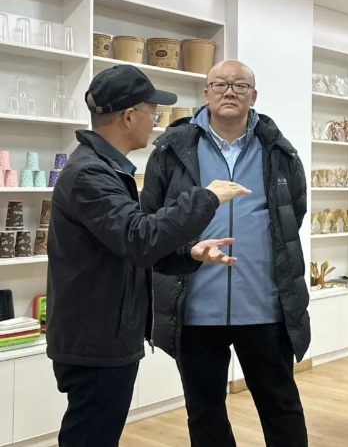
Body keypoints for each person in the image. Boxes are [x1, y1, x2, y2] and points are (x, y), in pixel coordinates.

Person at [47, 64, 251, 447]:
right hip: (95, 341)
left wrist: (189, 254)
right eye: (151, 111)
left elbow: (130, 247)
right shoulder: (90, 175)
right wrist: (207, 198)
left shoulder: (106, 170)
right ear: (128, 117)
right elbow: (139, 238)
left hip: (105, 336)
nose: (155, 120)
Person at [141, 59, 309, 447]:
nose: (229, 91)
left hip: (264, 305)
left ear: (254, 95)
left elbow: (292, 215)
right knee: (204, 411)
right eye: (219, 84)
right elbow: (152, 220)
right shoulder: (172, 149)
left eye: (239, 85)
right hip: (195, 305)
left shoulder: (278, 150)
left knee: (281, 406)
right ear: (206, 93)